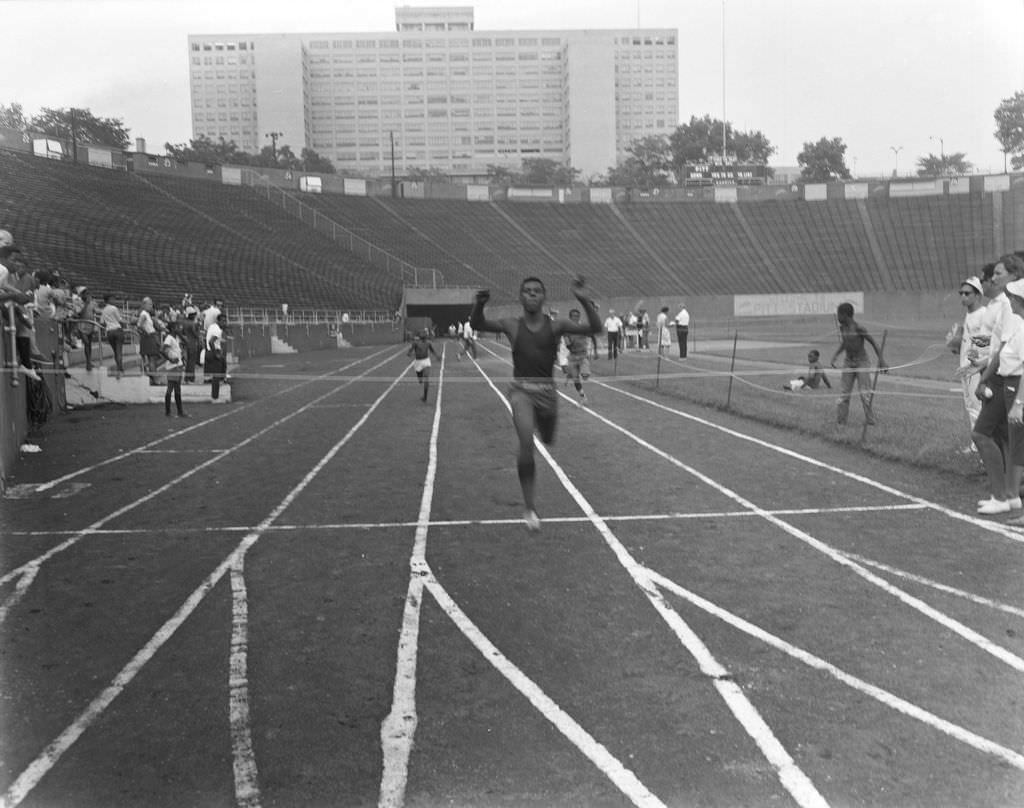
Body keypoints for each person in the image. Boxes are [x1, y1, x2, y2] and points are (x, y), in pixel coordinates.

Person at [470, 275, 601, 530]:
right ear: (520, 297)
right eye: (527, 291)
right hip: (521, 391)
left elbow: (594, 328)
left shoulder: (555, 326)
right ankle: (529, 508)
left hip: (547, 393)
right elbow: (478, 323)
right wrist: (479, 304)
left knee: (548, 439)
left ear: (543, 297)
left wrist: (583, 299)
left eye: (536, 291)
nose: (531, 294)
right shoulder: (511, 324)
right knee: (526, 441)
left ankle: (543, 427)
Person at [970, 254, 1024, 514]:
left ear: (1013, 277)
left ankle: (1003, 495)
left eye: (997, 274)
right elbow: (986, 340)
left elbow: (1003, 348)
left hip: (1006, 378)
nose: (991, 279)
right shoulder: (993, 307)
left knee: (984, 432)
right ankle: (1009, 495)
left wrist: (983, 374)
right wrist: (976, 360)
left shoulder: (1009, 307)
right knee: (1010, 439)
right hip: (997, 372)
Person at [949, 274, 991, 453]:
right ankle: (976, 445)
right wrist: (956, 344)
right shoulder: (969, 315)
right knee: (970, 405)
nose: (963, 296)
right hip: (967, 368)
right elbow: (970, 342)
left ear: (977, 295)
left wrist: (970, 359)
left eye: (967, 293)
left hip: (976, 368)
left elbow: (985, 342)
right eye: (961, 293)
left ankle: (980, 446)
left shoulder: (983, 315)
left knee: (976, 406)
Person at [829, 302, 887, 426]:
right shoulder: (842, 328)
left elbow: (873, 342)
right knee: (844, 393)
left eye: (839, 314)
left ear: (846, 315)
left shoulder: (859, 328)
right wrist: (835, 355)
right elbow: (845, 343)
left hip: (862, 362)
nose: (838, 317)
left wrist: (881, 360)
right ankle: (841, 422)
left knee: (864, 393)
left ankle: (870, 421)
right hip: (848, 362)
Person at [563, 308, 592, 404]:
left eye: (577, 316)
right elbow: (568, 345)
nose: (576, 318)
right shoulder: (567, 330)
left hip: (583, 355)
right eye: (574, 316)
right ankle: (583, 397)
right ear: (570, 318)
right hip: (573, 356)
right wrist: (571, 343)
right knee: (576, 379)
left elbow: (591, 334)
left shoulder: (583, 327)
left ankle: (571, 374)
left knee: (585, 376)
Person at [160, 320, 189, 418]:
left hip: (178, 366)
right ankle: (169, 411)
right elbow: (162, 349)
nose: (179, 329)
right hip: (173, 367)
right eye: (177, 327)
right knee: (171, 389)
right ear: (173, 328)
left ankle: (178, 411)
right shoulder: (169, 338)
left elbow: (186, 343)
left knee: (177, 389)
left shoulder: (175, 338)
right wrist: (170, 359)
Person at [406, 330, 441, 403]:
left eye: (425, 335)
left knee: (426, 378)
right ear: (420, 336)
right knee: (420, 380)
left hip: (426, 361)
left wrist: (437, 356)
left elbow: (432, 350)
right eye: (423, 335)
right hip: (418, 362)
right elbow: (410, 351)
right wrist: (409, 353)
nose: (424, 336)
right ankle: (420, 377)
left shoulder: (428, 343)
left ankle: (425, 396)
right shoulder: (415, 343)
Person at [99, 293, 126, 378]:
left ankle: (119, 368)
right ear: (109, 300)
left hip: (109, 331)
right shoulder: (114, 308)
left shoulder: (104, 310)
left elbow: (102, 322)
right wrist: (124, 325)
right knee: (119, 351)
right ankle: (120, 369)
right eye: (113, 299)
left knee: (115, 351)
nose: (114, 300)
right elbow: (120, 320)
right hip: (117, 330)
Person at [204, 312, 229, 400]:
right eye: (223, 321)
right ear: (218, 321)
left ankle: (216, 394)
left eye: (225, 321)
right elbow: (211, 342)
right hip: (213, 351)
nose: (225, 323)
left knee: (217, 374)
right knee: (216, 376)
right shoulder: (217, 330)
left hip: (208, 351)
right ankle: (215, 397)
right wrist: (216, 354)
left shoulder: (212, 326)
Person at [137, 296, 161, 384]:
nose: (151, 306)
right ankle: (154, 378)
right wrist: (145, 333)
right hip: (148, 337)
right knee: (152, 359)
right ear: (144, 305)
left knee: (153, 359)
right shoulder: (143, 314)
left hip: (150, 336)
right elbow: (139, 325)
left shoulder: (146, 314)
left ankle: (152, 377)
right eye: (149, 304)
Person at [75, 288, 98, 371]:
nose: (88, 295)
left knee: (89, 345)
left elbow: (95, 312)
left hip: (90, 326)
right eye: (86, 294)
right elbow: (79, 313)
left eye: (89, 294)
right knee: (86, 343)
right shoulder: (78, 302)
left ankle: (89, 361)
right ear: (82, 295)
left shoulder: (92, 303)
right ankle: (88, 362)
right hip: (82, 326)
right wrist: (86, 304)